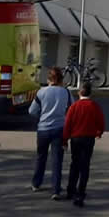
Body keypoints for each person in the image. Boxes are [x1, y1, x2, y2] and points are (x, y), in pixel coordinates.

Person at [29, 67, 73, 200]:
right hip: (59, 129)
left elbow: (32, 111)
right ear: (61, 80)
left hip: (43, 129)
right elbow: (72, 108)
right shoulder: (65, 92)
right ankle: (56, 190)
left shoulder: (41, 92)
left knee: (41, 157)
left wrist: (41, 116)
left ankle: (36, 183)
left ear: (49, 79)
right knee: (57, 160)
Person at [62, 82, 106, 207]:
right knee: (85, 165)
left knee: (74, 164)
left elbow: (68, 124)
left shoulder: (74, 106)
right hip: (88, 138)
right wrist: (99, 132)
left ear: (79, 92)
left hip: (75, 138)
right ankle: (81, 193)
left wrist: (65, 140)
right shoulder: (94, 106)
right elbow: (101, 122)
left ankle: (71, 190)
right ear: (90, 93)